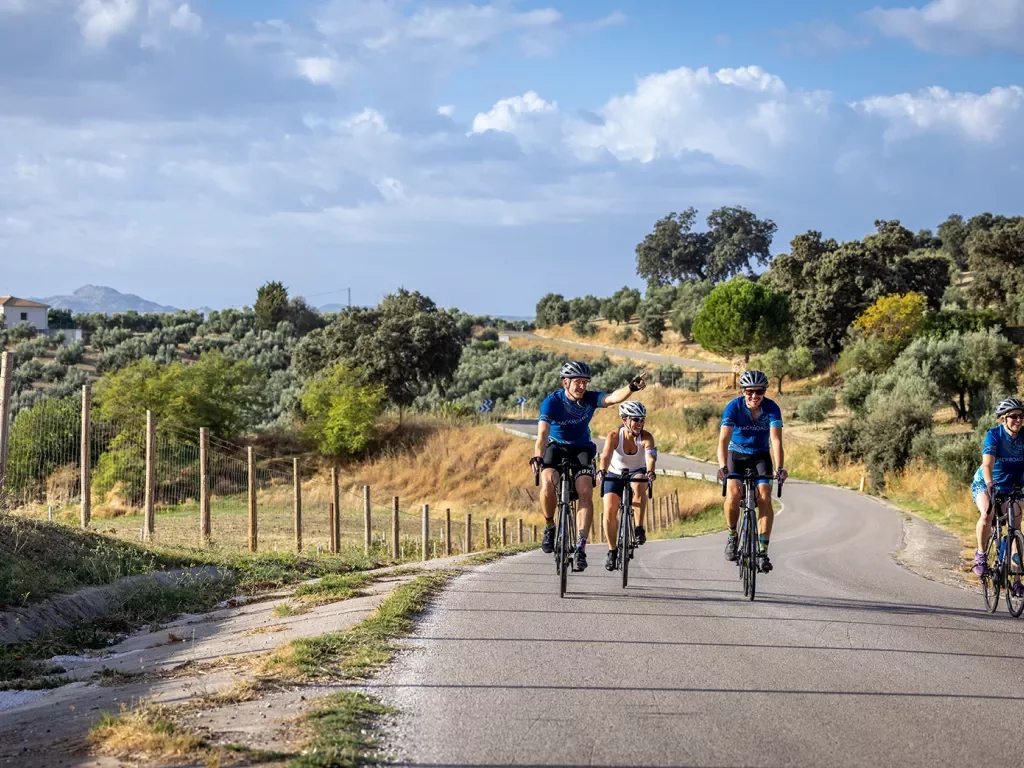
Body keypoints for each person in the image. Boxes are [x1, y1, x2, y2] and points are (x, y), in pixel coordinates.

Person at [531, 361, 647, 571]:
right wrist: (538, 457)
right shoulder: (552, 402)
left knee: (585, 491)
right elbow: (542, 435)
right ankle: (550, 525)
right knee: (548, 483)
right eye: (578, 382)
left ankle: (581, 546)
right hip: (556, 447)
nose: (582, 387)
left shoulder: (590, 399)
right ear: (565, 382)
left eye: (585, 382)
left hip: (582, 449)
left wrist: (631, 387)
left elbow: (612, 398)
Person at [716, 369, 787, 573]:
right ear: (743, 391)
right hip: (736, 455)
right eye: (749, 392)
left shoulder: (771, 408)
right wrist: (723, 467)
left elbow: (776, 441)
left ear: (764, 391)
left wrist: (780, 468)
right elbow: (723, 440)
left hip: (760, 456)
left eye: (759, 391)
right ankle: (732, 535)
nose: (754, 396)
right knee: (733, 494)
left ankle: (763, 551)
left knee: (765, 497)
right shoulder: (733, 407)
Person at [971, 397, 1024, 596]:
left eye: (1021, 416)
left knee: (1015, 531)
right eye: (1014, 416)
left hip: (1014, 487)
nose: (1018, 420)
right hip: (986, 483)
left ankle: (1017, 580)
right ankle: (981, 554)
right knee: (987, 514)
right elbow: (987, 465)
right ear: (1003, 419)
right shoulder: (994, 435)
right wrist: (990, 483)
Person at [598, 401, 657, 571]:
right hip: (615, 473)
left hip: (637, 471)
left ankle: (638, 528)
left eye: (642, 420)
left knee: (639, 484)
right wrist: (602, 471)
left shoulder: (646, 437)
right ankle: (612, 551)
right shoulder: (614, 436)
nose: (640, 423)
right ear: (625, 420)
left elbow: (650, 456)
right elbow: (606, 457)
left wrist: (651, 471)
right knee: (609, 510)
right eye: (636, 419)